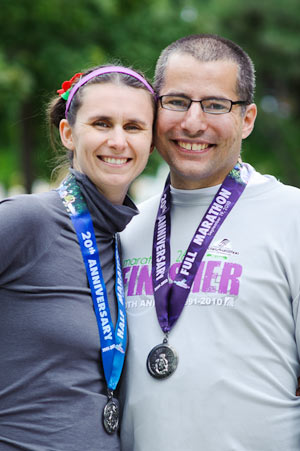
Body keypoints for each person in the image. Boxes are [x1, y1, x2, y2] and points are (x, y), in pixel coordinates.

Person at [120, 34, 300, 450]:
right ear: (155, 108)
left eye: (216, 105)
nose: (193, 123)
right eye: (178, 101)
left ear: (248, 119)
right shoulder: (126, 228)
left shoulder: (292, 216)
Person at [0, 64, 155, 450]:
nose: (118, 141)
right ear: (68, 133)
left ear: (152, 143)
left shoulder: (131, 241)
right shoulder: (26, 220)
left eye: (134, 127)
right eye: (102, 123)